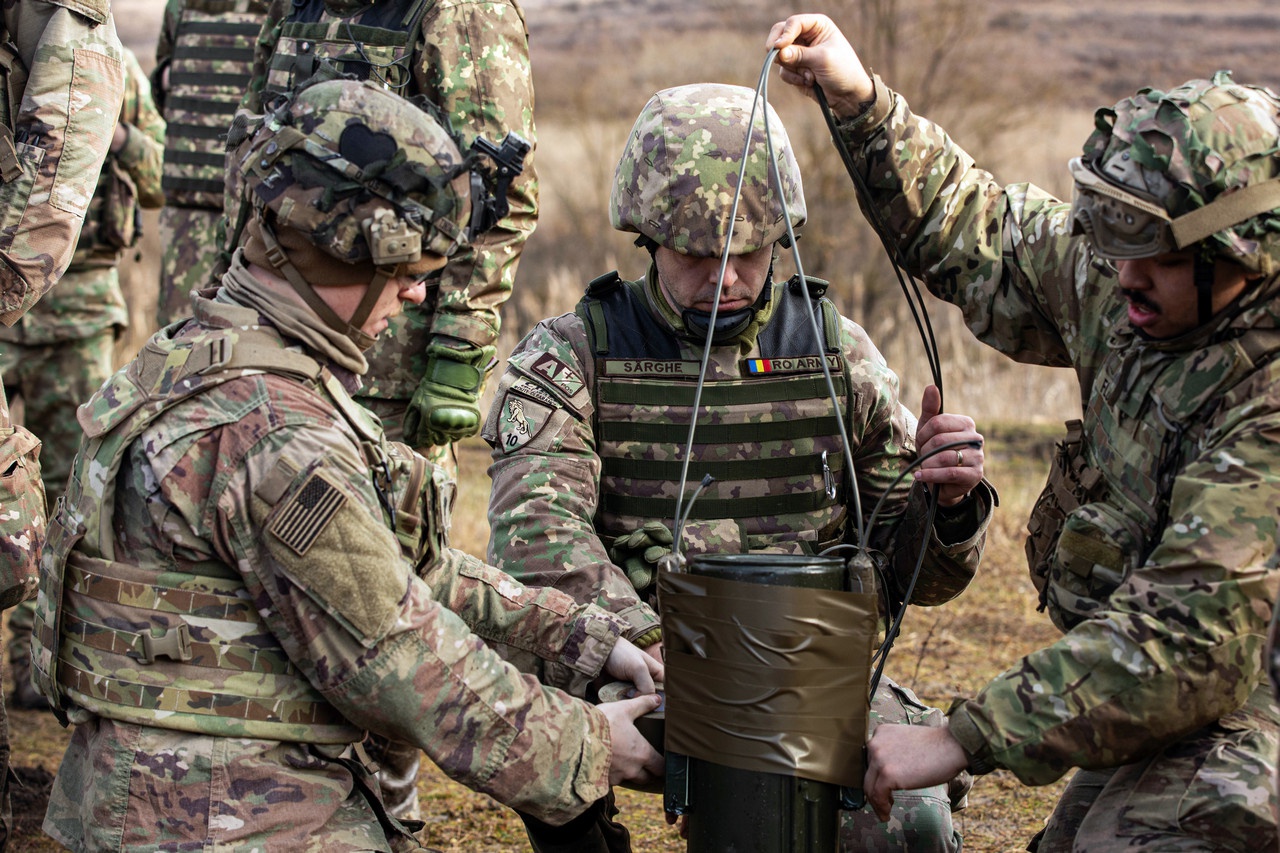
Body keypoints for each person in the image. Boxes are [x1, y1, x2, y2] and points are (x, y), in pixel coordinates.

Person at [31, 77, 664, 851]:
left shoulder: (196, 357)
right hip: (226, 817)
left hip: (185, 794)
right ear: (331, 253)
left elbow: (397, 571)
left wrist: (589, 640)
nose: (417, 290)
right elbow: (402, 656)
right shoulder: (274, 434)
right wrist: (587, 744)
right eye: (402, 268)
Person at [769, 13, 1280, 852]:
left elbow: (1193, 633)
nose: (1122, 274)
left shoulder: (1266, 400)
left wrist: (963, 734)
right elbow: (986, 235)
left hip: (1237, 689)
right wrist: (859, 100)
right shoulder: (1136, 281)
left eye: (1147, 253)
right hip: (1165, 689)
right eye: (1114, 243)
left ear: (1232, 252)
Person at [483, 82, 996, 853]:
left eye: (746, 253)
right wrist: (651, 642)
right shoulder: (573, 354)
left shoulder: (834, 352)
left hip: (806, 672)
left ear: (780, 237)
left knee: (911, 826)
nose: (722, 278)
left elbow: (911, 572)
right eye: (695, 255)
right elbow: (537, 538)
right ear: (648, 237)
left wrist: (947, 508)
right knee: (530, 714)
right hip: (646, 673)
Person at [227, 4, 539, 812]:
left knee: (393, 579)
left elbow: (496, 198)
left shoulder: (453, 12)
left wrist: (459, 353)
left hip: (392, 358)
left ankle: (387, 800)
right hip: (287, 324)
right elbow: (261, 153)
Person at [0, 43, 164, 714]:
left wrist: (117, 134)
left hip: (78, 308)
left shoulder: (110, 66)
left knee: (73, 498)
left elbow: (160, 174)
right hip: (6, 314)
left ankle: (38, 665)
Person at [0, 0, 124, 845]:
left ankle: (55, 679)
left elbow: (51, 209)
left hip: (73, 315)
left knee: (55, 508)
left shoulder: (59, 25)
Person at [151, 0, 269, 326]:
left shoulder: (283, 7)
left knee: (249, 334)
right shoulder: (182, 6)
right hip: (186, 212)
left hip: (252, 212)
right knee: (180, 335)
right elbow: (163, 82)